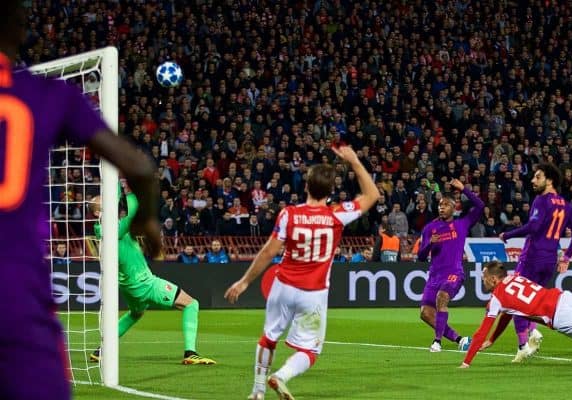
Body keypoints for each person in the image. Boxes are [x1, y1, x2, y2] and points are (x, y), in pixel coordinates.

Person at [0, 2, 161, 399]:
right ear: (18, 32)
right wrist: (147, 221)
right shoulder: (46, 93)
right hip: (15, 290)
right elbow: (138, 167)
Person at [224, 145, 379, 400]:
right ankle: (281, 376)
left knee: (268, 338)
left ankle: (258, 390)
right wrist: (354, 160)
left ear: (306, 186)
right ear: (330, 193)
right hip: (314, 293)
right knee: (310, 351)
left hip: (283, 286)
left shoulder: (289, 214)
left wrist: (244, 282)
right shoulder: (336, 215)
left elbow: (267, 252)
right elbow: (372, 195)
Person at [88, 184, 215, 366]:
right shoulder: (112, 229)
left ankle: (102, 350)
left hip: (128, 285)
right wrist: (130, 192)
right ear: (96, 212)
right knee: (191, 304)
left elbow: (116, 202)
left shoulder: (104, 228)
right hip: (143, 283)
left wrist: (116, 183)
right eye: (103, 203)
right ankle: (190, 353)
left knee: (135, 314)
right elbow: (132, 212)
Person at [499, 162, 572, 362]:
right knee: (535, 300)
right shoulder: (565, 204)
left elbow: (534, 226)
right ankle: (533, 332)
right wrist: (566, 257)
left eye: (537, 177)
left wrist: (508, 234)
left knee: (517, 300)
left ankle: (523, 345)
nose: (533, 180)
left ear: (550, 180)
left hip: (532, 256)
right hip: (549, 260)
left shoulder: (541, 200)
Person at [460, 261, 572, 369]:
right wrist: (492, 340)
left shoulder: (496, 299)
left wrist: (466, 362)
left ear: (493, 279)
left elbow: (481, 332)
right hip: (565, 297)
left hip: (559, 315)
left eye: (484, 278)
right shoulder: (515, 277)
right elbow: (507, 314)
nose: (482, 281)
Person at [417, 179, 484, 352]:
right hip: (434, 275)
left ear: (453, 208)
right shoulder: (429, 228)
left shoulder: (462, 223)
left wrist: (464, 189)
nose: (442, 207)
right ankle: (460, 339)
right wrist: (429, 244)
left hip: (454, 272)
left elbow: (480, 205)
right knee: (425, 313)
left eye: (446, 205)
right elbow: (421, 257)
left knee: (442, 298)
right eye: (440, 204)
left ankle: (437, 341)